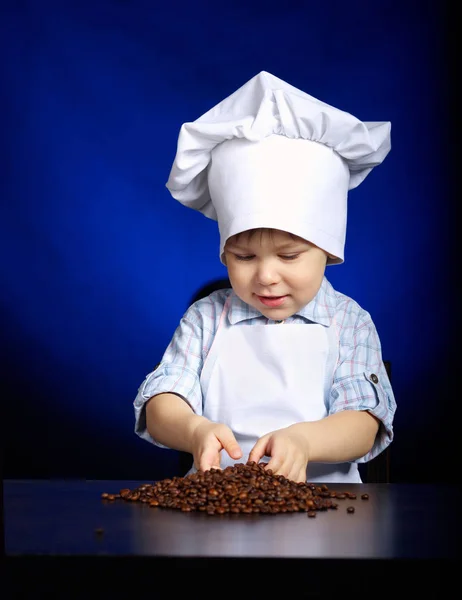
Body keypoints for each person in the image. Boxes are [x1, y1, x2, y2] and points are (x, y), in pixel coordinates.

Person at [133, 71, 397, 483]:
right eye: (244, 256)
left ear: (328, 251)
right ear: (223, 252)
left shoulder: (350, 322)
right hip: (214, 516)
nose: (266, 276)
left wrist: (305, 442)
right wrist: (195, 428)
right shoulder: (205, 319)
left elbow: (365, 424)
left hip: (330, 520)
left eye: (289, 255)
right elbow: (161, 403)